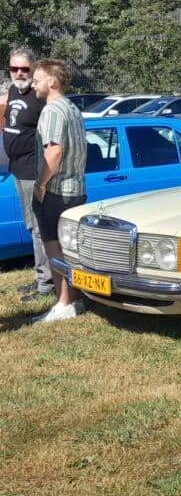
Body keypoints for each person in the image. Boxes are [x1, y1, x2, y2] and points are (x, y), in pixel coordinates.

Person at [30, 58, 87, 323]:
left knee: (54, 247)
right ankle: (75, 300)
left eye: (37, 79)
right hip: (77, 190)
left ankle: (63, 302)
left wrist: (41, 185)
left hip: (56, 191)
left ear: (52, 81)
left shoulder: (52, 110)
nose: (33, 84)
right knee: (70, 247)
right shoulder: (73, 108)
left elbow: (54, 151)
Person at [2, 47, 53, 303]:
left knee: (39, 228)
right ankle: (40, 276)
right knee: (31, 225)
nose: (19, 73)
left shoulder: (40, 97)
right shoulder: (12, 90)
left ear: (33, 70)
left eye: (25, 68)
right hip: (17, 170)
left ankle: (46, 284)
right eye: (15, 68)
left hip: (34, 172)